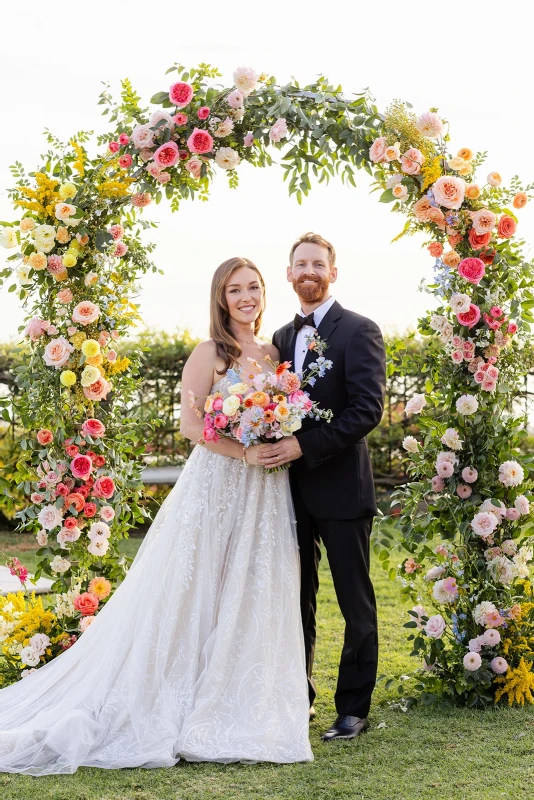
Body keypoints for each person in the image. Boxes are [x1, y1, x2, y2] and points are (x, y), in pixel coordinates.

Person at [0, 257, 312, 775]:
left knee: (249, 587)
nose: (246, 297)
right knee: (194, 589)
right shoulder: (211, 352)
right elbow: (192, 424)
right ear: (221, 297)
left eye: (253, 287)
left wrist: (273, 435)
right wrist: (244, 452)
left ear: (263, 292)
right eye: (235, 290)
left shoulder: (275, 352)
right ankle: (171, 697)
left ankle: (237, 700)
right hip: (218, 482)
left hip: (264, 491)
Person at [263, 232, 386, 741]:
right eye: (300, 264)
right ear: (289, 274)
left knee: (354, 601)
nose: (309, 271)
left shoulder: (359, 331)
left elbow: (366, 410)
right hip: (285, 494)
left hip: (341, 490)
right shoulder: (277, 339)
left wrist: (303, 446)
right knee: (296, 599)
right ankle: (298, 698)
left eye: (318, 263)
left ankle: (353, 708)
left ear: (332, 272)